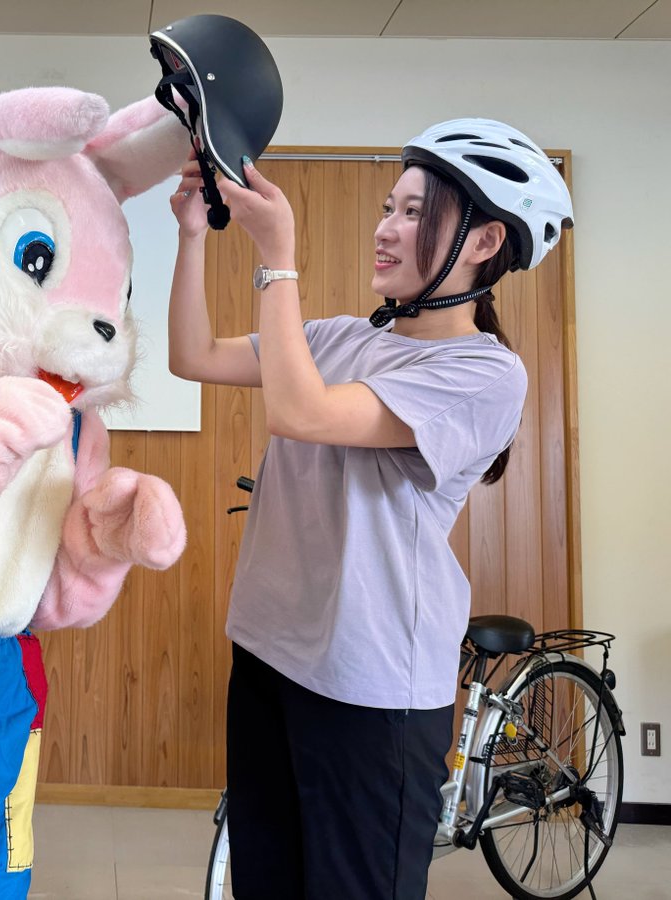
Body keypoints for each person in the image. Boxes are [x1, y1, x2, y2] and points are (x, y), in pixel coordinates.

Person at [166, 119, 573, 899]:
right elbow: (192, 356)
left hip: (371, 686)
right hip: (268, 652)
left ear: (486, 242)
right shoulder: (337, 337)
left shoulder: (485, 374)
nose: (386, 229)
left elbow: (304, 414)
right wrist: (191, 236)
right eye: (390, 207)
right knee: (266, 881)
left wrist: (277, 259)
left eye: (415, 213)